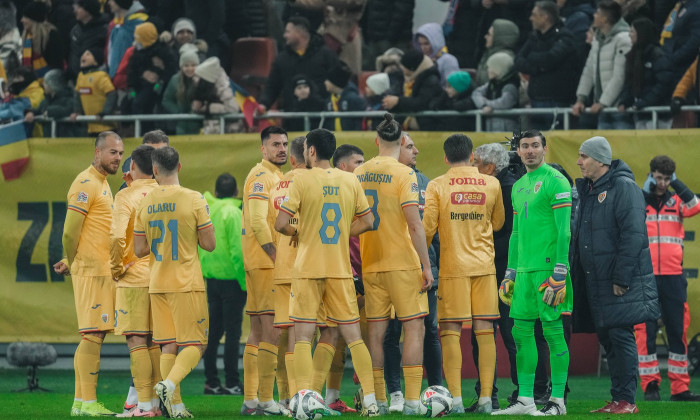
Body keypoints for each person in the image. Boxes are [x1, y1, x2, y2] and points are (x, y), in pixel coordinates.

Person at [274, 128, 379, 416]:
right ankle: (371, 401)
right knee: (354, 336)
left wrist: (300, 232)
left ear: (310, 151)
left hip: (307, 268)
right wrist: (344, 233)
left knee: (304, 337)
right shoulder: (349, 180)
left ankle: (305, 399)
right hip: (340, 269)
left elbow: (281, 224)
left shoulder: (301, 179)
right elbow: (369, 221)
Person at [571, 136, 660, 414]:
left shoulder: (624, 187)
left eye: (584, 156)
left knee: (621, 338)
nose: (579, 161)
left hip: (618, 282)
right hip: (596, 280)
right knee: (609, 339)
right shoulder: (589, 189)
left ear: (599, 160)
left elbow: (633, 236)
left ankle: (627, 401)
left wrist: (621, 278)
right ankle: (618, 399)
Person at [354, 113, 434, 415]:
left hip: (370, 263)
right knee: (414, 328)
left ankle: (379, 400)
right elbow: (415, 225)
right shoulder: (404, 174)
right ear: (401, 141)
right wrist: (426, 267)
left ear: (376, 141)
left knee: (375, 333)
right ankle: (413, 400)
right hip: (402, 263)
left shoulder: (358, 173)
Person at [421, 134, 504, 414]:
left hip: (453, 268)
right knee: (485, 331)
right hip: (485, 268)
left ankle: (455, 400)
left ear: (446, 158)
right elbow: (499, 222)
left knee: (450, 331)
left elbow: (428, 229)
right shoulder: (492, 183)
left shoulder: (437, 185)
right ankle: (485, 400)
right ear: (471, 156)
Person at [133, 146, 216, 418]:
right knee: (196, 344)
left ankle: (176, 406)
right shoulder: (193, 199)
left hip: (157, 282)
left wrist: (164, 243)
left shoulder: (144, 201)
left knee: (168, 344)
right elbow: (210, 244)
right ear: (179, 167)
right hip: (186, 282)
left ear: (154, 170)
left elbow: (139, 249)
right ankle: (167, 385)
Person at [495, 129, 572, 416]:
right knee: (520, 332)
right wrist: (510, 273)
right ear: (518, 151)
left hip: (550, 270)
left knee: (552, 333)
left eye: (535, 146)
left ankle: (558, 401)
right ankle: (526, 399)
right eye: (524, 146)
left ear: (544, 148)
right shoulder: (518, 186)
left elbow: (565, 231)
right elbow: (515, 234)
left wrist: (561, 272)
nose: (529, 151)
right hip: (524, 272)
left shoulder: (556, 181)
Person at [53, 131, 124, 417]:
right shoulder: (86, 183)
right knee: (93, 334)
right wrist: (76, 261)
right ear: (97, 153)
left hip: (96, 269)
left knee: (93, 335)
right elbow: (69, 231)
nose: (117, 158)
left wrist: (71, 261)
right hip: (93, 272)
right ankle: (89, 402)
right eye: (112, 152)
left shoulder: (103, 184)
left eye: (120, 153)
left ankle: (81, 403)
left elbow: (90, 232)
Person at [382, 132, 442, 413]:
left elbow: (433, 230)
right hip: (392, 266)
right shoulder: (386, 179)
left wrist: (433, 266)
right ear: (395, 149)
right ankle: (396, 393)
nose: (416, 151)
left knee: (429, 330)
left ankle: (436, 389)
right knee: (392, 333)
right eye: (409, 146)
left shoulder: (427, 184)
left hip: (421, 268)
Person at [636, 155, 700, 402]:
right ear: (651, 175)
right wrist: (645, 193)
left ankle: (680, 389)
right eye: (658, 177)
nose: (662, 183)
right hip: (647, 277)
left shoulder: (677, 201)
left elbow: (695, 204)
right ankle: (650, 386)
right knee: (645, 332)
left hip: (674, 277)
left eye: (666, 178)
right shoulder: (642, 202)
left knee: (677, 331)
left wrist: (677, 184)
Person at [109, 144, 161, 417]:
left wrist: (117, 268)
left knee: (137, 340)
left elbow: (117, 237)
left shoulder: (126, 196)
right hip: (164, 277)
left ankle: (143, 405)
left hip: (135, 276)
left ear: (131, 167)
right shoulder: (169, 194)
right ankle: (154, 404)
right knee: (155, 341)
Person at [240, 126, 289, 416]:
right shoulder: (261, 177)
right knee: (270, 331)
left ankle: (250, 400)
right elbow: (258, 221)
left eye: (284, 143)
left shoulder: (275, 176)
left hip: (257, 261)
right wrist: (275, 254)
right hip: (264, 262)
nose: (281, 148)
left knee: (257, 332)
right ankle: (267, 399)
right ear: (263, 148)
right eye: (275, 145)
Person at [467, 143, 515, 410]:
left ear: (490, 168)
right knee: (490, 333)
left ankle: (507, 394)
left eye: (477, 163)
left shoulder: (505, 188)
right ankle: (492, 395)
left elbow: (508, 233)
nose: (473, 167)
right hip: (495, 270)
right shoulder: (500, 185)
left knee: (503, 333)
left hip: (500, 271)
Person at [268, 136, 307, 406]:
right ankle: (302, 395)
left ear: (291, 159)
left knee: (288, 333)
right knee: (306, 335)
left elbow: (273, 225)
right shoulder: (315, 182)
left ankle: (286, 397)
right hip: (307, 265)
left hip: (282, 265)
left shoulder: (275, 186)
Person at [200, 173, 247, 396]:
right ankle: (232, 382)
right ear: (236, 192)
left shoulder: (207, 209)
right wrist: (244, 283)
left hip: (211, 280)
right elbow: (238, 252)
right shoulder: (233, 213)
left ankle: (211, 381)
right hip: (232, 282)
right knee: (233, 334)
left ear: (216, 192)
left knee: (214, 333)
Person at [515, 1, 579, 129]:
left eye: (534, 15)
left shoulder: (564, 37)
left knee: (555, 145)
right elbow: (518, 61)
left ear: (545, 17)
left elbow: (550, 58)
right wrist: (539, 67)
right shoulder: (534, 37)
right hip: (535, 99)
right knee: (536, 145)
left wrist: (533, 58)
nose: (530, 18)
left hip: (557, 100)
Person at [572, 0, 633, 129]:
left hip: (619, 109)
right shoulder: (597, 40)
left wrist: (603, 103)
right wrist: (580, 99)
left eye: (597, 13)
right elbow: (588, 71)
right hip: (602, 109)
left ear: (604, 19)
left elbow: (620, 76)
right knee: (603, 149)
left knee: (623, 148)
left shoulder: (623, 39)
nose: (594, 15)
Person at [259, 16, 339, 112]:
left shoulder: (326, 54)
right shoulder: (282, 59)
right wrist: (263, 104)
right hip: (293, 119)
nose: (284, 36)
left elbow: (338, 83)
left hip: (322, 118)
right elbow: (272, 86)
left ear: (300, 33)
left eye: (288, 32)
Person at [618, 17, 673, 129]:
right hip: (640, 115)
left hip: (658, 115)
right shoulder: (632, 56)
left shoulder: (657, 55)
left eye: (632, 31)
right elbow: (629, 82)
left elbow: (663, 83)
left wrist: (646, 102)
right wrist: (624, 101)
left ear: (641, 33)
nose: (629, 34)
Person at [381, 50, 442, 131]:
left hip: (427, 129)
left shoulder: (431, 80)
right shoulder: (407, 78)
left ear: (412, 68)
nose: (401, 69)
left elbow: (422, 102)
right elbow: (397, 93)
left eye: (404, 67)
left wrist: (398, 101)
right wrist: (391, 103)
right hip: (408, 127)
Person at [127, 22, 177, 118]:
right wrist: (131, 87)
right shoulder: (137, 52)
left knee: (140, 104)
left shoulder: (162, 51)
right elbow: (132, 70)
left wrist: (161, 81)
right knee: (128, 103)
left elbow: (171, 68)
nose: (136, 42)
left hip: (156, 86)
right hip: (140, 85)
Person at [71, 47, 116, 136]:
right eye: (83, 54)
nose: (83, 56)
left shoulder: (101, 76)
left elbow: (112, 93)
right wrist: (77, 111)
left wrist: (105, 113)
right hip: (90, 127)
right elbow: (77, 95)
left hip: (105, 126)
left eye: (88, 54)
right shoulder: (80, 76)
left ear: (96, 61)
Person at [471, 52, 520, 133]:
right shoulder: (492, 83)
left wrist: (487, 104)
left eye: (491, 67)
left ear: (499, 68)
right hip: (491, 127)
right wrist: (483, 105)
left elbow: (505, 103)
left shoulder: (510, 85)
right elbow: (476, 93)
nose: (488, 70)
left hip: (507, 129)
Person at [193, 56, 241, 134]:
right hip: (211, 129)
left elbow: (233, 108)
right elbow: (196, 107)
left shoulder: (224, 88)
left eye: (198, 76)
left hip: (230, 131)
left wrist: (209, 108)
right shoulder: (203, 87)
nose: (194, 79)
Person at [161, 46, 200, 135]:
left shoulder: (203, 80)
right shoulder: (175, 80)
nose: (190, 68)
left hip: (200, 124)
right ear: (181, 66)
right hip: (182, 125)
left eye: (193, 65)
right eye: (186, 65)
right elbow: (166, 100)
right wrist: (178, 111)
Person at [20, 1, 64, 79]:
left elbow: (57, 63)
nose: (22, 20)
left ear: (34, 19)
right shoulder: (27, 36)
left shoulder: (51, 35)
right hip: (32, 81)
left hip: (50, 80)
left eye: (25, 17)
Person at [106, 0, 148, 78]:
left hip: (129, 80)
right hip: (117, 79)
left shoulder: (138, 26)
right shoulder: (117, 28)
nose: (109, 3)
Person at [68, 0, 107, 80]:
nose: (75, 10)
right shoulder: (75, 30)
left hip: (95, 78)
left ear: (88, 10)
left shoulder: (103, 29)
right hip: (76, 77)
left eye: (78, 8)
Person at [475, 19, 520, 87]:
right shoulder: (490, 53)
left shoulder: (503, 59)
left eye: (489, 34)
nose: (485, 37)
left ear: (498, 38)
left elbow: (489, 84)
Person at [413, 22, 460, 87]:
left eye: (426, 43)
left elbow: (452, 87)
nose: (423, 48)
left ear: (436, 41)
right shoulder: (420, 59)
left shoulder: (448, 60)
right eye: (420, 44)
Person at [324, 61, 366, 131]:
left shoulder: (353, 99)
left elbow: (359, 123)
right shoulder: (329, 100)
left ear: (335, 82)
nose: (325, 82)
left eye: (328, 80)